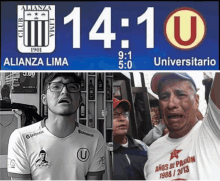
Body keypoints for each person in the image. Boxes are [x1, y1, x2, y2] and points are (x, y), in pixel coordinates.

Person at [7, 73, 105, 180]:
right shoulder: (21, 138)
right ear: (44, 99)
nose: (65, 92)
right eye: (56, 87)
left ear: (80, 100)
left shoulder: (95, 138)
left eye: (72, 87)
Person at [144, 72, 220, 180]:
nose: (171, 104)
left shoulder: (213, 130)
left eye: (180, 95)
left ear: (196, 101)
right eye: (164, 97)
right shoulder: (153, 150)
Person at [112, 97, 148, 180]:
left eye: (125, 114)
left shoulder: (141, 146)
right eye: (115, 115)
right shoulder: (99, 152)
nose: (122, 119)